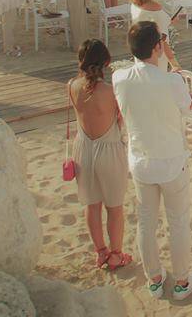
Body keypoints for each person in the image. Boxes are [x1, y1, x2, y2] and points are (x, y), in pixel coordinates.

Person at [113, 21, 192, 300]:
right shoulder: (171, 80)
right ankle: (182, 281)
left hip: (141, 160)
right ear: (156, 46)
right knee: (177, 221)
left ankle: (154, 278)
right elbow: (189, 107)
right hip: (171, 161)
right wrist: (174, 70)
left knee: (146, 221)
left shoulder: (120, 78)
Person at [68, 40, 130, 270]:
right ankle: (116, 253)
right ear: (106, 61)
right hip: (108, 148)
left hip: (83, 147)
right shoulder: (110, 90)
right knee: (114, 207)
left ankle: (100, 251)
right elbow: (121, 120)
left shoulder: (71, 85)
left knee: (91, 205)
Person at [127, 0, 181, 70]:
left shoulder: (134, 5)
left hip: (140, 54)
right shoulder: (155, 10)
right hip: (155, 57)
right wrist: (174, 64)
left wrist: (166, 21)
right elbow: (162, 40)